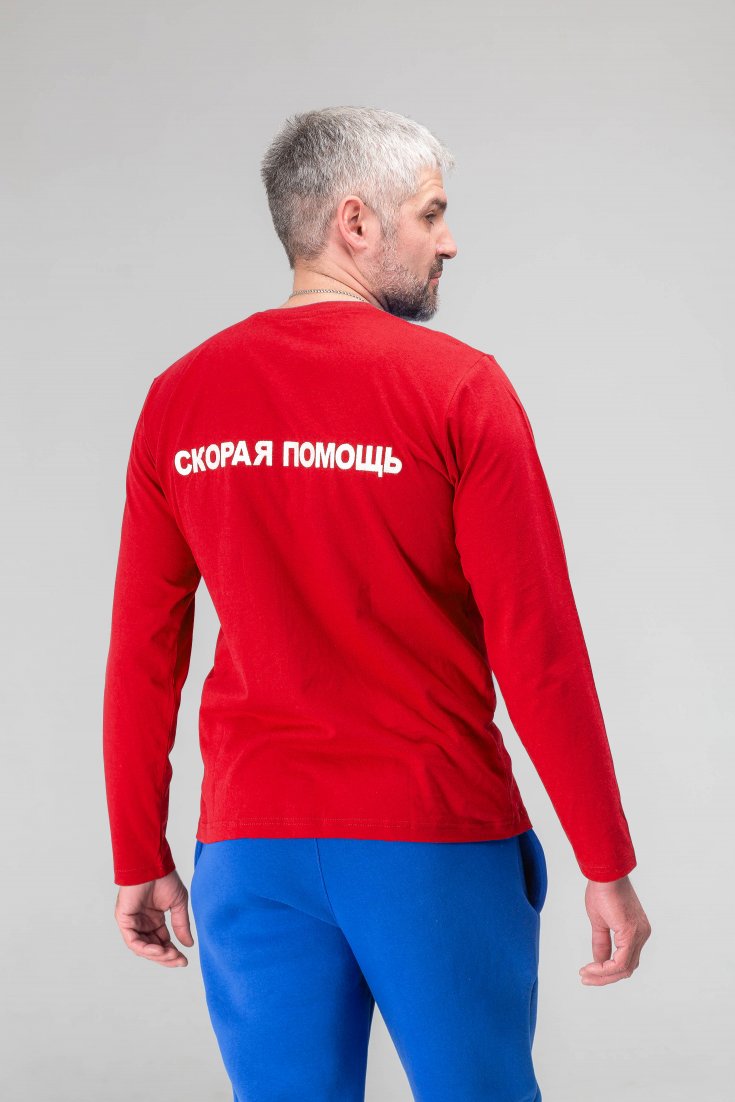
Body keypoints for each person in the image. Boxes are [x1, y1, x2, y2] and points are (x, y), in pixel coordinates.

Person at [103, 105, 651, 1101]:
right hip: (431, 839)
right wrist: (605, 860)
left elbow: (143, 651)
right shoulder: (458, 389)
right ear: (354, 222)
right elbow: (537, 647)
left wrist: (137, 850)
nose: (450, 242)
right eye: (431, 214)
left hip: (251, 849)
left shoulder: (179, 398)